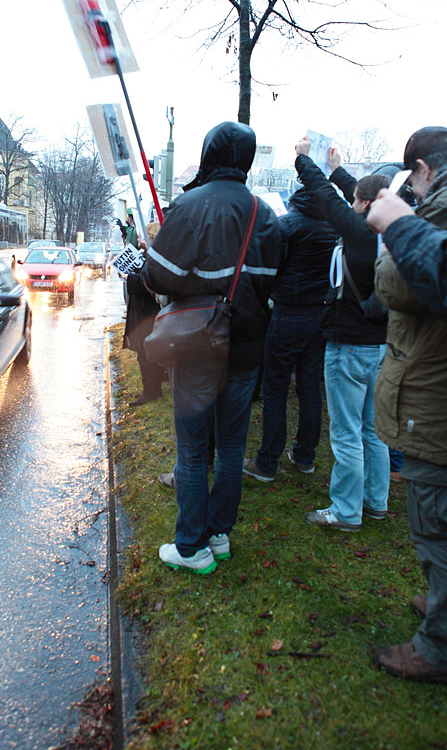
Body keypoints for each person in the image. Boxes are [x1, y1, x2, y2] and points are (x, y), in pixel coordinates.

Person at [371, 126, 447, 686]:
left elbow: (397, 285)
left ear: (419, 168)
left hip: (436, 389)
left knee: (441, 521)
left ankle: (445, 646)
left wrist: (394, 229)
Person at [142, 121, 281, 574]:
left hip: (198, 344)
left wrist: (154, 265)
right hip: (245, 346)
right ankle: (219, 534)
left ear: (209, 153)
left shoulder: (190, 205)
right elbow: (271, 281)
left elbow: (160, 277)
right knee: (233, 444)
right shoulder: (266, 214)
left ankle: (190, 547)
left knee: (194, 449)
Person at [294, 141, 390, 532]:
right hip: (381, 345)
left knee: (347, 432)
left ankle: (347, 511)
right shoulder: (393, 230)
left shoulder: (357, 230)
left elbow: (323, 196)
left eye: (356, 200)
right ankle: (376, 501)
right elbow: (357, 194)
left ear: (364, 204)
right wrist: (338, 169)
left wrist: (304, 160)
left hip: (348, 345)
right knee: (374, 430)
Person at [242, 181, 338, 481]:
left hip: (287, 312)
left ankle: (267, 462)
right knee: (309, 386)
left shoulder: (287, 225)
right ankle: (305, 455)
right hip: (319, 313)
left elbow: (270, 268)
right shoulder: (333, 227)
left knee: (275, 389)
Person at [122, 223, 164, 407]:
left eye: (142, 237)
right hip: (144, 311)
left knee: (145, 353)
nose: (138, 240)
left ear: (151, 238)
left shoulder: (157, 258)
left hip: (148, 312)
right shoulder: (150, 256)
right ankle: (155, 389)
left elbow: (151, 282)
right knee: (147, 352)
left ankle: (151, 392)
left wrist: (128, 278)